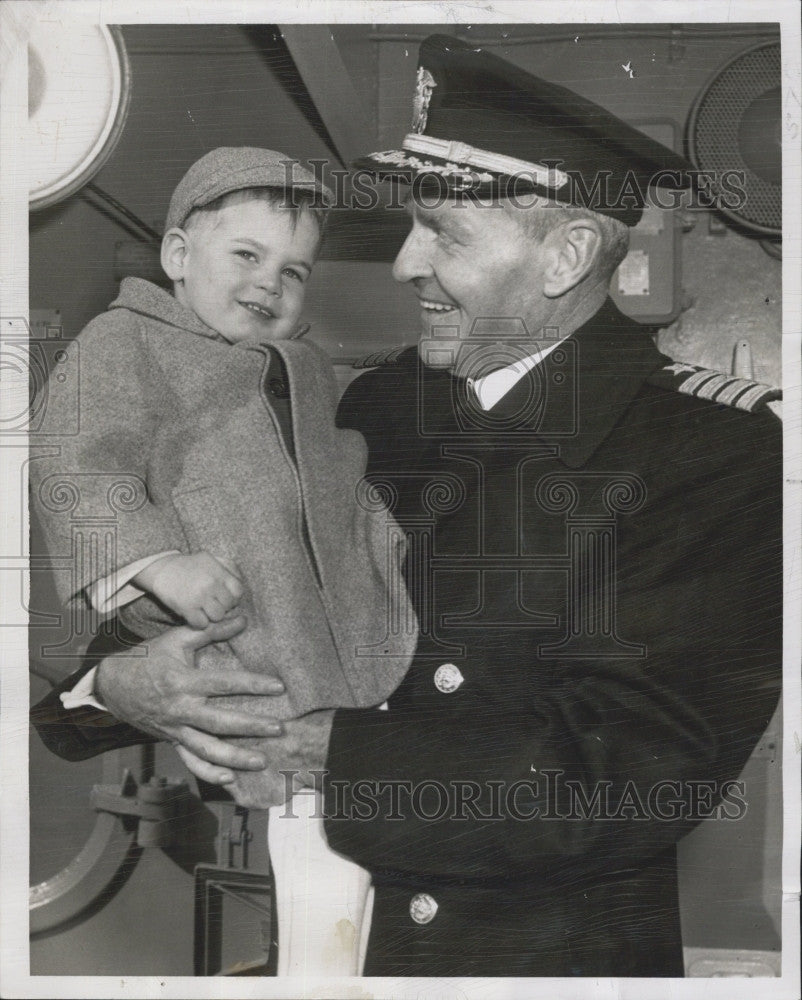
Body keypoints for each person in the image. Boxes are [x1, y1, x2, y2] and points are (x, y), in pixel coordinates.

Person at [33, 37, 782, 977]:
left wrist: (324, 753)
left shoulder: (713, 451)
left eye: (444, 232)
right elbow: (224, 570)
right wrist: (117, 687)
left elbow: (624, 777)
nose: (403, 265)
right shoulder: (371, 407)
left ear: (569, 255)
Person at [29, 146, 416, 974]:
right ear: (176, 256)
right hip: (235, 618)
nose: (269, 284)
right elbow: (73, 465)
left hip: (338, 626)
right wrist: (157, 564)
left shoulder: (305, 365)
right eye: (246, 256)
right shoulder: (122, 341)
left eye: (294, 270)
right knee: (316, 860)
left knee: (362, 853)